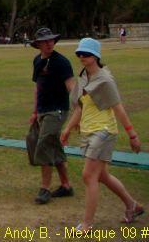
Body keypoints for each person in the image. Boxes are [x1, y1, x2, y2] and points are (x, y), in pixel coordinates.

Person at [60, 38, 143, 233]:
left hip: (104, 131)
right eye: (79, 54)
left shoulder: (105, 80)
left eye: (86, 54)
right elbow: (81, 108)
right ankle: (133, 206)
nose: (82, 57)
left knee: (89, 176)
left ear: (96, 56)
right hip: (88, 131)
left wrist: (132, 134)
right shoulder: (84, 77)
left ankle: (87, 223)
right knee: (102, 176)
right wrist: (66, 129)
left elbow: (118, 107)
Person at [28, 27, 75, 205]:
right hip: (43, 110)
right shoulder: (37, 61)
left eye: (51, 40)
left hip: (58, 111)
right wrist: (34, 111)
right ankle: (66, 185)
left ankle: (45, 188)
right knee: (53, 146)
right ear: (38, 44)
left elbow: (71, 86)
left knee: (44, 144)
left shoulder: (61, 62)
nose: (49, 44)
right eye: (45, 41)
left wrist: (79, 110)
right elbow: (37, 87)